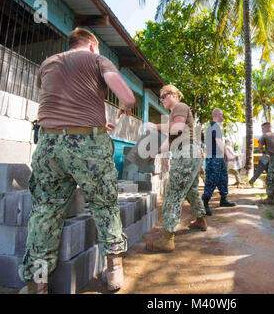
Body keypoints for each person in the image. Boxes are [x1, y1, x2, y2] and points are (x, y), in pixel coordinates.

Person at [18, 28, 136, 294]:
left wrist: (92, 119)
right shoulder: (97, 60)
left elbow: (60, 98)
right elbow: (128, 97)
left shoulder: (48, 63)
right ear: (93, 45)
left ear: (70, 45)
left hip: (48, 144)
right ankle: (114, 269)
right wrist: (122, 107)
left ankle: (37, 284)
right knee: (104, 203)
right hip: (87, 146)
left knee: (45, 211)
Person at [144, 85, 207, 252]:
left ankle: (167, 239)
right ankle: (201, 220)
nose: (161, 100)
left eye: (163, 96)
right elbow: (172, 142)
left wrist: (154, 126)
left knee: (173, 192)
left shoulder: (179, 107)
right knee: (191, 191)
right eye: (160, 97)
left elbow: (178, 128)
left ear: (173, 94)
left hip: (186, 154)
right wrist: (157, 152)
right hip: (190, 153)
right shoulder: (174, 114)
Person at [202, 108, 237, 216]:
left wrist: (225, 156)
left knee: (223, 178)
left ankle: (223, 200)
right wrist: (228, 154)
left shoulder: (215, 127)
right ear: (216, 115)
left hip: (219, 158)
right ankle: (205, 204)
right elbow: (219, 142)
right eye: (221, 115)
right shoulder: (214, 126)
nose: (222, 117)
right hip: (213, 158)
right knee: (211, 180)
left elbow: (219, 143)